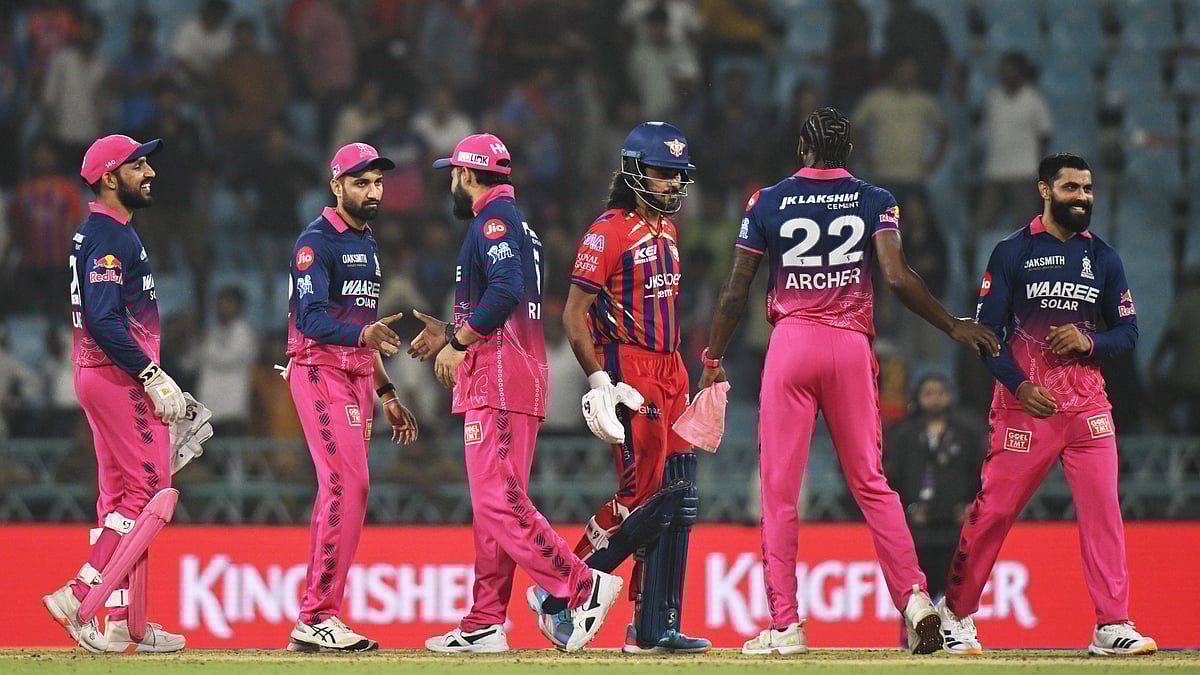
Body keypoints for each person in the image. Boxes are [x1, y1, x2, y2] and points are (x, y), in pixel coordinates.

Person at [696, 107, 1001, 656]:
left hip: (791, 345)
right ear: (850, 154)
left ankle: (785, 625)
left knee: (780, 492)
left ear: (801, 151)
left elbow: (736, 289)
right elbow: (896, 277)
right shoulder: (877, 200)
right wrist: (952, 323)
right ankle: (913, 598)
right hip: (851, 346)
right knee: (870, 482)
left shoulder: (766, 200)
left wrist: (713, 355)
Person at [408, 133, 622, 654]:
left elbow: (504, 291)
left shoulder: (493, 222)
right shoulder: (515, 224)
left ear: (467, 175)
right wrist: (451, 328)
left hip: (500, 379)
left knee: (496, 500)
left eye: (453, 175)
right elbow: (506, 295)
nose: (451, 186)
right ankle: (485, 621)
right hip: (510, 373)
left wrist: (459, 341)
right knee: (495, 507)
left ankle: (581, 584)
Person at [939, 153, 1157, 657]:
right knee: (994, 512)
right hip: (1026, 410)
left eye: (1087, 189)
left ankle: (1112, 624)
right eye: (1071, 188)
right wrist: (1019, 388)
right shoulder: (1012, 252)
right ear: (1045, 190)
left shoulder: (1104, 258)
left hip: (1089, 411)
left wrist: (1090, 345)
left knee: (1104, 515)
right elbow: (987, 336)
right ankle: (956, 615)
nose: (1082, 198)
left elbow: (1128, 332)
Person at [527, 121, 711, 654]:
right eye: (662, 174)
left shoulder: (669, 231)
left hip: (671, 370)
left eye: (679, 176)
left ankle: (654, 626)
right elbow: (573, 316)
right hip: (629, 371)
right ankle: (559, 594)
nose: (673, 185)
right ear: (634, 173)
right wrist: (602, 382)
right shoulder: (606, 231)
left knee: (680, 497)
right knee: (639, 500)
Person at [41, 134, 187, 653]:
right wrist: (151, 376)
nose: (150, 173)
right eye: (138, 166)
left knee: (121, 500)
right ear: (109, 177)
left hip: (100, 376)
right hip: (116, 377)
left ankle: (130, 622)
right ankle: (79, 596)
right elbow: (104, 319)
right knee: (153, 496)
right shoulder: (110, 238)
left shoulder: (103, 231)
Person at [283, 142, 419, 652]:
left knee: (339, 493)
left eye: (378, 182)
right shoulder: (315, 242)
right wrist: (363, 339)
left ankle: (315, 617)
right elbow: (313, 318)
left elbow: (366, 327)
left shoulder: (368, 242)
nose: (373, 191)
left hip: (356, 379)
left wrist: (385, 389)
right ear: (336, 185)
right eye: (361, 183)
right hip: (319, 371)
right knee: (349, 486)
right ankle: (317, 614)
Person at [885, 374, 985, 606]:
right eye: (928, 394)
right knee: (915, 589)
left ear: (950, 396)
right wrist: (908, 507)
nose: (935, 399)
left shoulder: (967, 432)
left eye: (941, 393)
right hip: (917, 526)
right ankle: (912, 632)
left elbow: (978, 471)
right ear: (918, 398)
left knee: (956, 588)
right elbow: (894, 476)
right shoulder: (903, 434)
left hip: (956, 524)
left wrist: (969, 505)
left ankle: (954, 632)